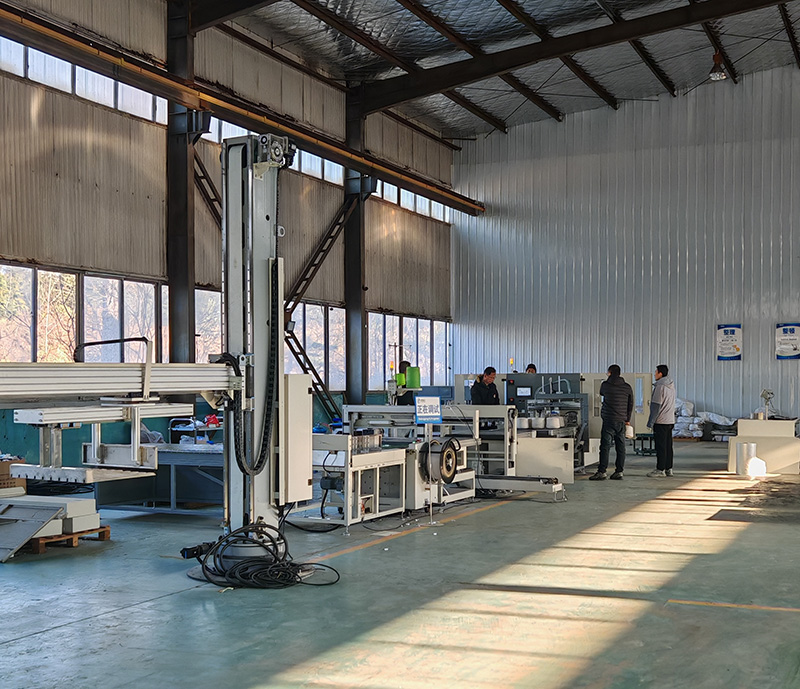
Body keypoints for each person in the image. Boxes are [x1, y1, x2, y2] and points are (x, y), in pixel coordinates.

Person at [590, 364, 633, 481]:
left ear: (609, 373)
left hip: (608, 420)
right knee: (621, 447)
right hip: (621, 421)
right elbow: (630, 404)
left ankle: (602, 472)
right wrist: (627, 419)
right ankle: (619, 471)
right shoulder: (627, 387)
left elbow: (602, 393)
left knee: (605, 447)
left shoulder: (605, 385)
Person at [646, 364, 677, 477]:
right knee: (668, 446)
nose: (654, 374)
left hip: (661, 421)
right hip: (670, 420)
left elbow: (656, 406)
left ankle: (660, 469)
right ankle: (669, 468)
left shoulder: (660, 387)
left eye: (656, 372)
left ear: (660, 373)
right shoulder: (671, 386)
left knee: (660, 446)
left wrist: (650, 422)